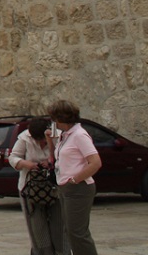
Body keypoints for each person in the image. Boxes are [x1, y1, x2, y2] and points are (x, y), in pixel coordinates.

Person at [48, 100, 101, 255]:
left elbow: (95, 162)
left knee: (78, 233)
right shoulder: (65, 136)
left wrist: (75, 179)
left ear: (60, 118)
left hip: (78, 188)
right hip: (65, 187)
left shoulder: (79, 135)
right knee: (71, 232)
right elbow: (55, 159)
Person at [8, 117, 67, 255]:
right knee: (37, 227)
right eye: (37, 140)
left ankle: (62, 252)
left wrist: (51, 161)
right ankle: (42, 252)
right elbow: (13, 157)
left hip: (54, 188)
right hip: (31, 189)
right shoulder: (24, 138)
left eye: (42, 139)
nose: (40, 142)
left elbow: (65, 158)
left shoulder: (57, 136)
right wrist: (27, 164)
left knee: (59, 224)